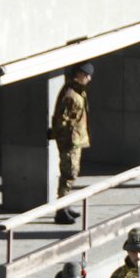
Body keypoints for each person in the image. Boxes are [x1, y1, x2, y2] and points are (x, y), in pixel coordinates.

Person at [50, 64, 93, 225]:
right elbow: (61, 120)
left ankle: (65, 205)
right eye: (87, 75)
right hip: (70, 140)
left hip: (75, 139)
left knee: (72, 173)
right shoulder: (71, 93)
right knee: (68, 174)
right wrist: (65, 136)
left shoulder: (77, 91)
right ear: (80, 74)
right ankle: (61, 210)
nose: (89, 78)